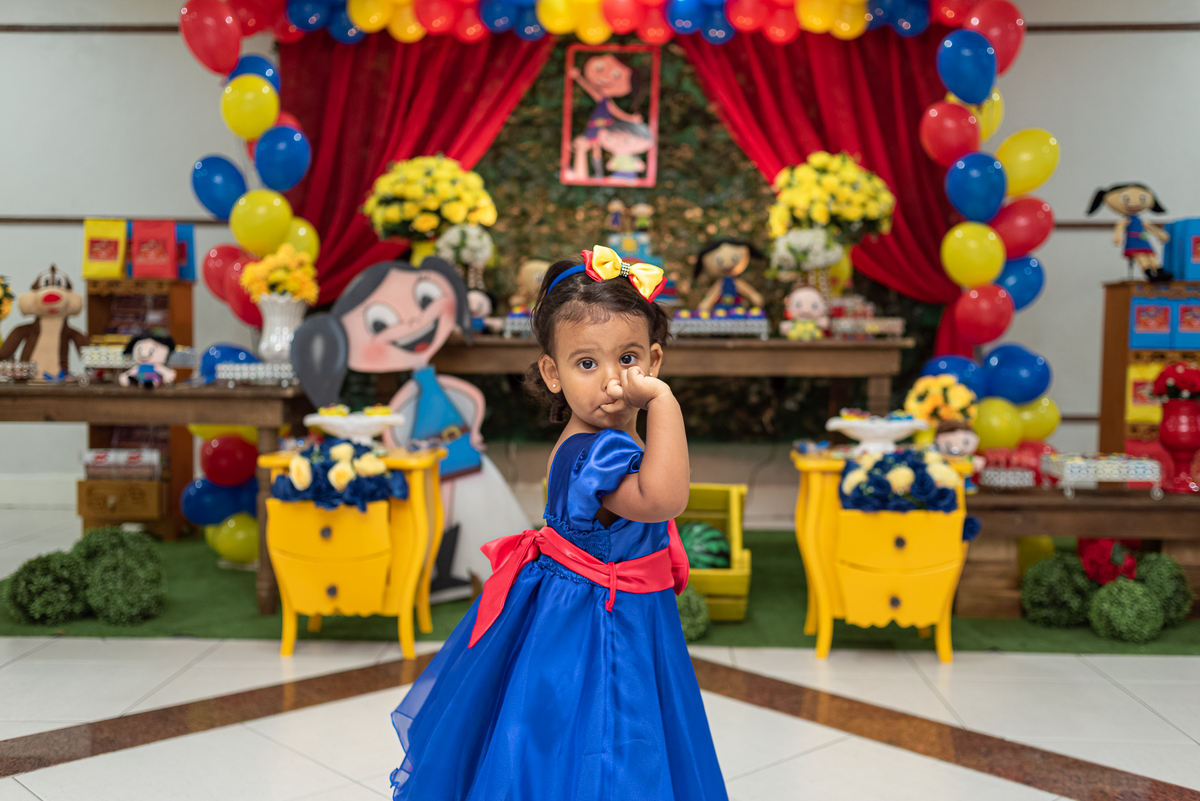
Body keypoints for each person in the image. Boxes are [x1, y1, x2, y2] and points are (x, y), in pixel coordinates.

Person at [389, 245, 728, 801]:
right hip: (597, 622)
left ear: (655, 359)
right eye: (587, 363)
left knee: (595, 735)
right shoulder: (596, 453)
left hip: (604, 604)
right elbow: (665, 498)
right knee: (604, 735)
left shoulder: (602, 438)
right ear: (553, 373)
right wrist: (664, 403)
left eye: (630, 360)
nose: (614, 381)